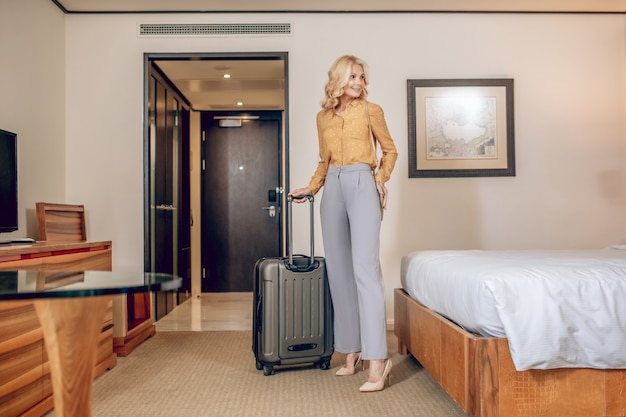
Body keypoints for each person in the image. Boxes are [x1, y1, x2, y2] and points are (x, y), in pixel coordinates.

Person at [290, 55, 398, 392]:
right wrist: (312, 187)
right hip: (332, 188)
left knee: (365, 270)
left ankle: (378, 359)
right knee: (338, 271)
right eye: (353, 76)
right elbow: (324, 161)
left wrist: (379, 179)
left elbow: (390, 151)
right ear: (339, 78)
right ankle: (351, 349)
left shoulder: (371, 110)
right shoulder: (322, 117)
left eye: (362, 77)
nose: (359, 83)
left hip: (361, 182)